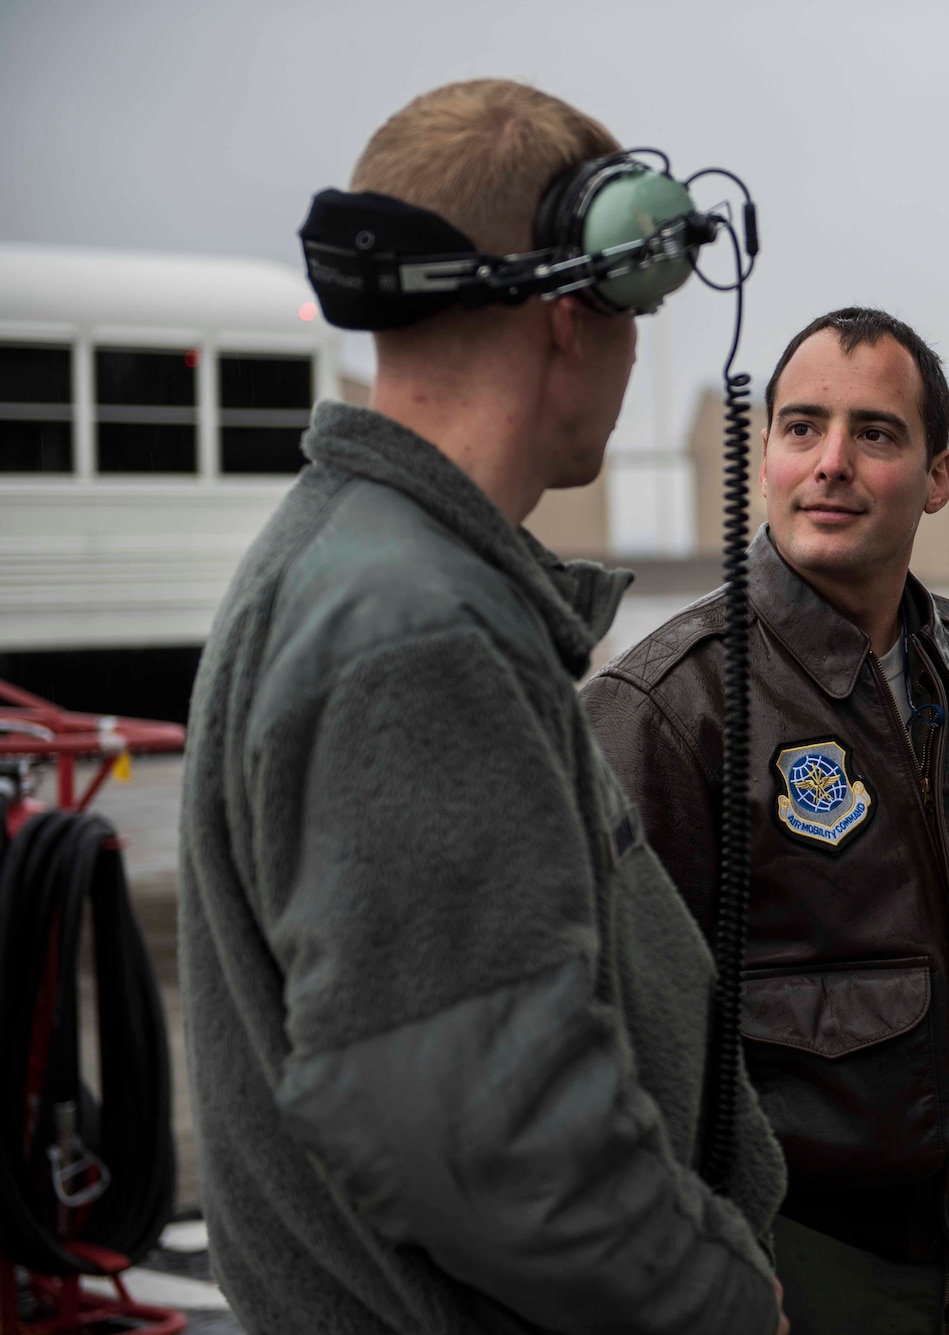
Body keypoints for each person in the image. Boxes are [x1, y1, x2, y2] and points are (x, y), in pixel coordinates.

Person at [178, 80, 787, 1334]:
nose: (635, 352)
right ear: (574, 313)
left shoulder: (377, 567)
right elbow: (482, 1135)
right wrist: (712, 1300)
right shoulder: (411, 631)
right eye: (638, 309)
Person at [583, 307, 949, 1335]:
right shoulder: (673, 706)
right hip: (793, 1262)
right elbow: (615, 1034)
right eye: (801, 427)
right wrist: (683, 1271)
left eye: (876, 434)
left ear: (937, 477)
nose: (831, 464)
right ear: (762, 452)